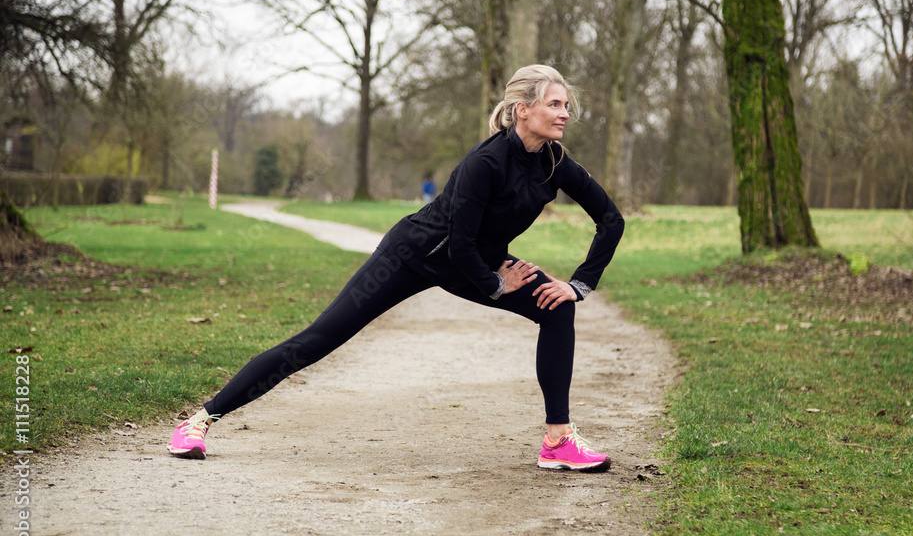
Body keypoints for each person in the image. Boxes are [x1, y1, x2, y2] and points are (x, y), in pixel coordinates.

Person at [169, 64, 625, 472]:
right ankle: (200, 420)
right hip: (412, 256)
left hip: (475, 262)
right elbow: (460, 244)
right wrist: (494, 284)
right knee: (317, 340)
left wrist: (579, 284)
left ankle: (557, 441)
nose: (564, 112)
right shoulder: (484, 163)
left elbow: (611, 220)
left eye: (566, 105)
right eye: (554, 104)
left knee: (556, 305)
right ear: (522, 110)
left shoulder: (555, 164)